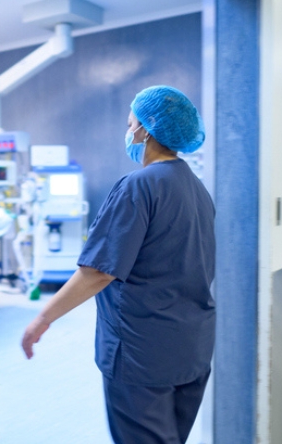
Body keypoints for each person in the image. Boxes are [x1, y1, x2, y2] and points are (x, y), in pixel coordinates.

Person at [21, 86, 215, 444]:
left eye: (131, 125)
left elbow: (98, 272)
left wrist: (43, 317)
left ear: (146, 129)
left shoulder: (138, 186)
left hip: (144, 352)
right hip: (192, 346)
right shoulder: (196, 188)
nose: (128, 133)